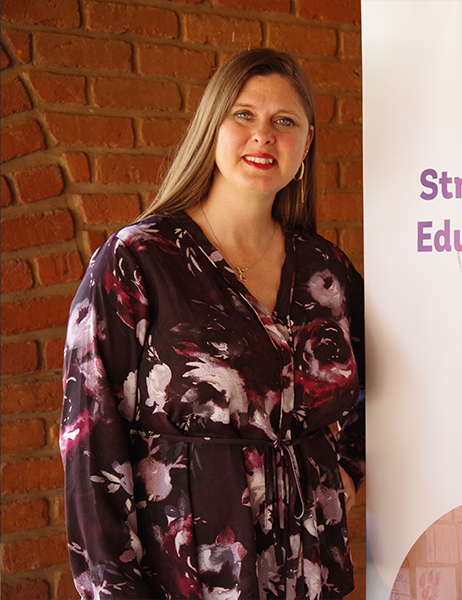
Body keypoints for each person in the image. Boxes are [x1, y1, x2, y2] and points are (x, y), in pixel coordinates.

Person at [59, 48, 365, 600]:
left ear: (307, 144)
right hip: (189, 573)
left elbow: (386, 382)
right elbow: (90, 446)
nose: (263, 136)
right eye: (243, 115)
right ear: (212, 127)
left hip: (311, 569)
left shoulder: (328, 270)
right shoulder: (138, 260)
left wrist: (348, 470)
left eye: (284, 121)